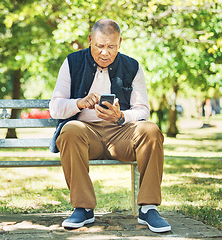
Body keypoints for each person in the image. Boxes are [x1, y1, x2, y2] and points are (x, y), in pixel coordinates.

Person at [49, 19, 171, 233]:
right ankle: (83, 208)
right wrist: (78, 103)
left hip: (121, 135)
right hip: (85, 135)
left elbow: (143, 110)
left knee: (151, 130)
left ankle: (148, 208)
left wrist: (121, 115)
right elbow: (55, 108)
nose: (104, 52)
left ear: (120, 43)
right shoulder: (72, 62)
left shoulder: (133, 66)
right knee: (70, 130)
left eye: (111, 47)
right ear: (90, 41)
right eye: (99, 46)